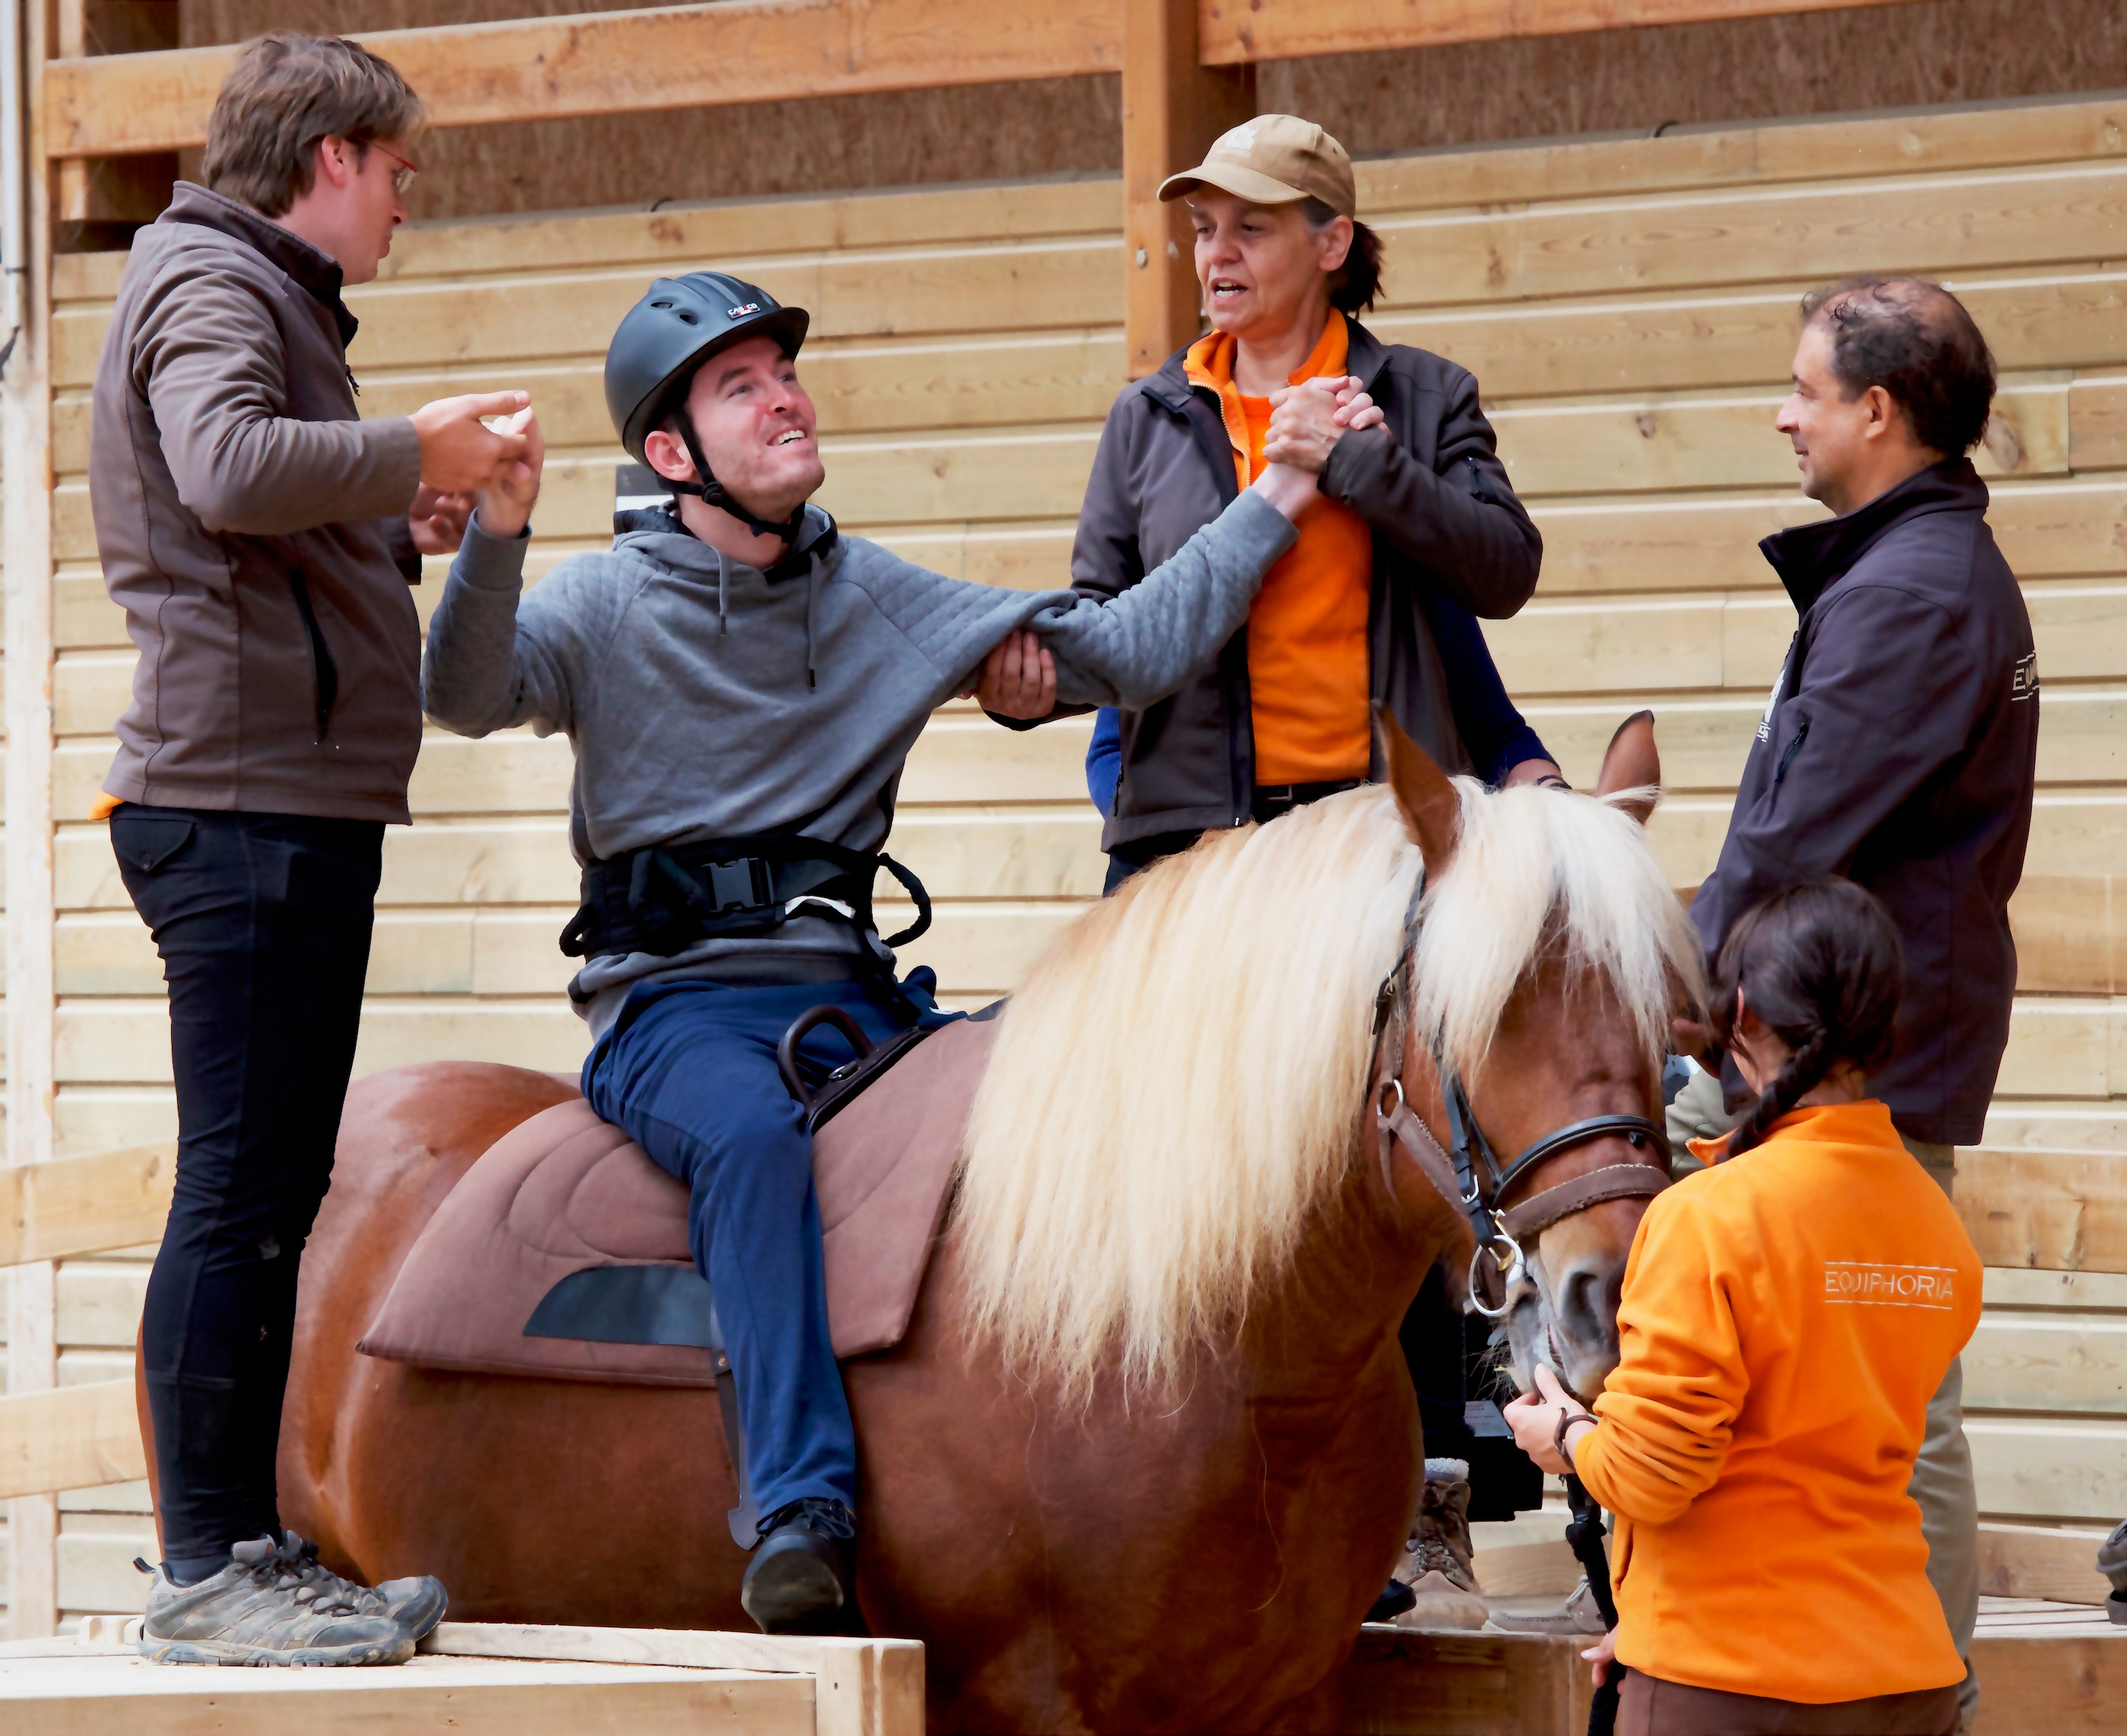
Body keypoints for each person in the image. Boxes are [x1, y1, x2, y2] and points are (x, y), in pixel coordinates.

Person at [419, 270, 1341, 1632]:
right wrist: (495, 535)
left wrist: (1282, 490)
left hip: (852, 998)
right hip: (672, 1015)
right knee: (746, 1138)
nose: (785, 394)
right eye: (741, 386)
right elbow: (463, 693)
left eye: (784, 371)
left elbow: (1135, 650)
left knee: (1025, 1103)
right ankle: (800, 1507)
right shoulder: (602, 603)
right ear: (671, 454)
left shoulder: (880, 595)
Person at [1020, 113, 1560, 1620]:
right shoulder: (1150, 417)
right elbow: (1099, 609)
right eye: (1202, 228)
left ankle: (1418, 1504)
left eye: (1249, 228)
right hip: (1201, 846)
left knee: (1385, 1169)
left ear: (1330, 242)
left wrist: (1365, 468)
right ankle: (1191, 1487)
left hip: (1379, 840)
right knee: (1201, 1172)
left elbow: (1499, 568)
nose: (1216, 255)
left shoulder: (1424, 394)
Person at [91, 35, 533, 1665]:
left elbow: (254, 516)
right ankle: (210, 1564)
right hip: (244, 805)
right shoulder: (218, 282)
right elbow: (219, 466)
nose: (408, 203)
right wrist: (412, 451)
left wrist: (379, 518)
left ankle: (246, 1547)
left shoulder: (247, 294)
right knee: (238, 1188)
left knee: (266, 1188)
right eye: (400, 170)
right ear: (331, 158)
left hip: (280, 799)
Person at [1678, 277, 2034, 1730]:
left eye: (1802, 388)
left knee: (1897, 1382)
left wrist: (1674, 992)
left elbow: (1789, 832)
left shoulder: (1907, 592)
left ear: (1874, 411)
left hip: (1835, 1044)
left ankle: (1913, 1683)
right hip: (1847, 1031)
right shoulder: (1922, 569)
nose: (1782, 411)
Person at [1507, 879, 1981, 1736]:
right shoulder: (1934, 1222)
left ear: (1742, 1012)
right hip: (1908, 1681)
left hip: (1729, 1688)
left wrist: (1565, 1436)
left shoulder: (1706, 1215)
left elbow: (1654, 1476)